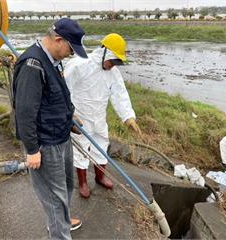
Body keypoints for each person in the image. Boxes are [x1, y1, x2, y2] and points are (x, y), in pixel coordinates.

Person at [13, 18, 87, 239]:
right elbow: (25, 111)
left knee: (66, 186)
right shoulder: (32, 65)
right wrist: (32, 149)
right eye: (71, 49)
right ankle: (59, 232)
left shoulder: (53, 60)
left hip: (61, 136)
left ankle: (61, 221)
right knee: (55, 198)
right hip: (45, 144)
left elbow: (58, 95)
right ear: (58, 40)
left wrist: (70, 117)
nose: (71, 54)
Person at [64, 33, 142, 198]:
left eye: (116, 63)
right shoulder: (79, 64)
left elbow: (120, 95)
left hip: (99, 118)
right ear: (104, 52)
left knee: (102, 145)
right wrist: (67, 114)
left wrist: (128, 117)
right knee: (80, 149)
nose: (113, 65)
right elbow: (62, 89)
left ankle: (100, 177)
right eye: (112, 61)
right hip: (80, 118)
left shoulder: (113, 74)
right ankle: (83, 182)